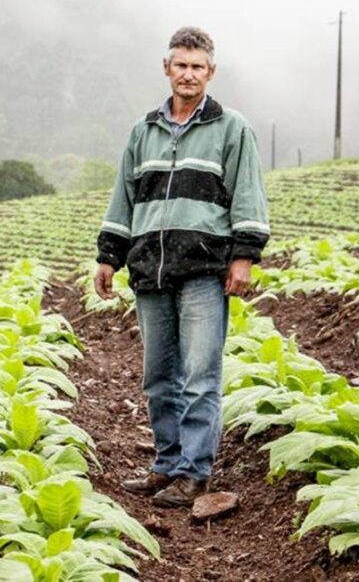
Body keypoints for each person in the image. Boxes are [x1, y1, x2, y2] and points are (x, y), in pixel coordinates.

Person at [94, 27, 270, 507]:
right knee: (158, 375)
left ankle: (195, 472)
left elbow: (249, 196)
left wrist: (243, 257)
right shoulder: (143, 131)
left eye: (197, 67)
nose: (188, 74)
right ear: (166, 68)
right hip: (149, 269)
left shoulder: (231, 129)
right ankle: (166, 464)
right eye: (180, 65)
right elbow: (123, 198)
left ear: (210, 72)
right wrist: (109, 255)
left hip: (202, 271)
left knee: (199, 374)